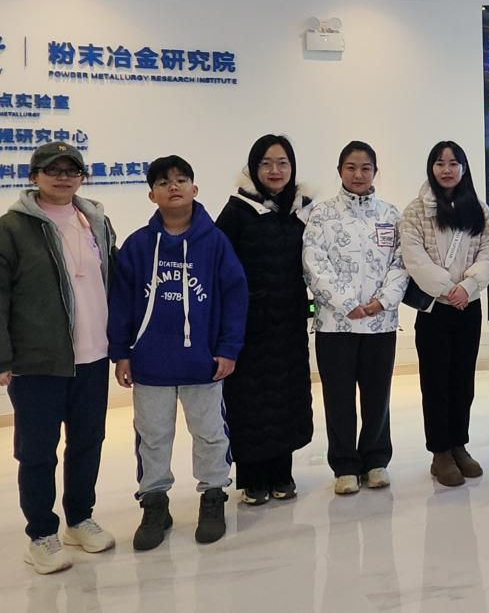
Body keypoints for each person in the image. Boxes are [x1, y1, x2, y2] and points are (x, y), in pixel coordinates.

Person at [108, 155, 247, 550]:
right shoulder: (138, 246)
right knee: (152, 437)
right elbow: (121, 303)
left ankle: (213, 496)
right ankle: (154, 503)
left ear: (194, 189)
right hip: (150, 365)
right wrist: (121, 352)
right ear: (152, 195)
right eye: (163, 182)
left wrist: (228, 348)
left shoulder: (215, 243)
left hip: (203, 364)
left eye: (181, 179)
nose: (173, 186)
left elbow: (235, 297)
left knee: (210, 433)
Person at [0, 143, 116, 574]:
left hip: (93, 356)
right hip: (38, 360)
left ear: (82, 177)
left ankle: (79, 519)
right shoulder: (12, 228)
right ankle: (41, 535)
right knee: (37, 452)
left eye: (72, 170)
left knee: (88, 442)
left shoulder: (96, 221)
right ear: (34, 177)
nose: (63, 177)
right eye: (53, 170)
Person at [303, 141, 407, 496]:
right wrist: (347, 303)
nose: (358, 174)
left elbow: (401, 263)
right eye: (351, 167)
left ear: (375, 172)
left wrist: (382, 302)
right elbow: (314, 263)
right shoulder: (322, 215)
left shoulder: (390, 214)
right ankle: (345, 465)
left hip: (380, 323)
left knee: (378, 395)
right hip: (336, 324)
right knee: (339, 396)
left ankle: (376, 460)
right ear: (340, 171)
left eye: (365, 168)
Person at [215, 134, 314, 506]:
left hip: (289, 322)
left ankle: (282, 473)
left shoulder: (302, 211)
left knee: (286, 396)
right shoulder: (237, 211)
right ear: (254, 168)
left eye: (283, 163)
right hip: (248, 326)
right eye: (266, 163)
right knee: (250, 400)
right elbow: (220, 270)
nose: (275, 170)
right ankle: (253, 479)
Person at [400, 141, 489, 487]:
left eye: (454, 163)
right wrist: (446, 289)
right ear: (431, 168)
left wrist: (467, 287)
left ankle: (459, 445)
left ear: (464, 168)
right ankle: (440, 452)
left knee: (463, 381)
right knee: (435, 382)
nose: (446, 169)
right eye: (439, 163)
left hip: (468, 305)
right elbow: (413, 257)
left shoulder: (478, 208)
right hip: (434, 308)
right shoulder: (416, 211)